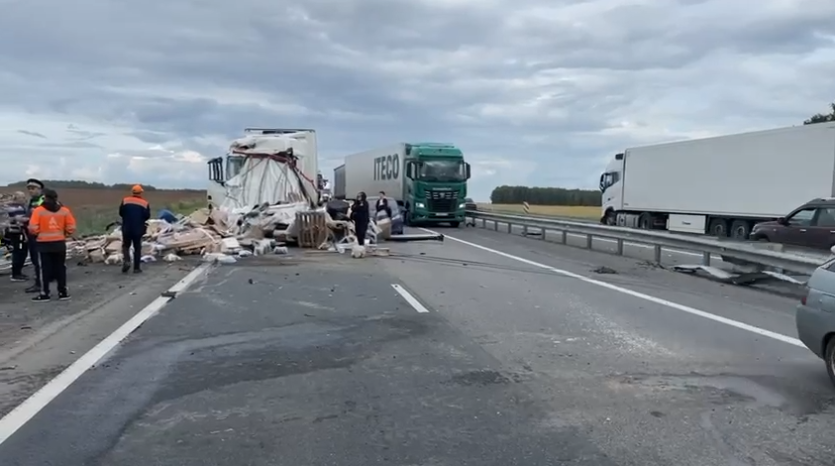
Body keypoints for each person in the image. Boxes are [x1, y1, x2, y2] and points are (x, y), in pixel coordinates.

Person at [28, 189, 76, 302]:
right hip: (59, 243)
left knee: (44, 269)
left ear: (45, 197)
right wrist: (64, 234)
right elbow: (71, 227)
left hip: (43, 244)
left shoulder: (38, 211)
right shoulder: (64, 211)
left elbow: (32, 228)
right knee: (60, 268)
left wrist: (38, 234)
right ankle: (63, 292)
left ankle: (45, 293)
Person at [119, 185, 151, 273]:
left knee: (126, 246)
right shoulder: (144, 203)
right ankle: (136, 268)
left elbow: (121, 213)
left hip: (126, 228)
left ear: (132, 192)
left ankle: (127, 260)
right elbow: (147, 216)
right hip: (138, 229)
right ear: (141, 192)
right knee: (137, 248)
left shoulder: (125, 200)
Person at [23, 179, 45, 293]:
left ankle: (40, 284)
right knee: (35, 260)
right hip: (32, 234)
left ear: (40, 189)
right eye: (29, 189)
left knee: (39, 260)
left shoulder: (44, 200)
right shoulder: (32, 201)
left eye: (33, 188)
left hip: (40, 235)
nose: (31, 191)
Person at [5, 192, 28, 281]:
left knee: (21, 252)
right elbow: (20, 221)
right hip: (17, 233)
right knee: (19, 252)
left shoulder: (20, 207)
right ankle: (16, 274)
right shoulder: (15, 208)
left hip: (19, 233)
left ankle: (18, 272)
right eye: (22, 197)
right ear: (17, 198)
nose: (24, 199)